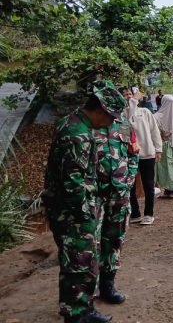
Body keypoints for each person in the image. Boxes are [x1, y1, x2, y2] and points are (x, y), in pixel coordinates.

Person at [42, 80, 137, 323]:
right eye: (110, 116)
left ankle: (85, 305)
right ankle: (78, 312)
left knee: (94, 253)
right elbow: (73, 182)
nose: (113, 121)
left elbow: (132, 153)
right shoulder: (78, 134)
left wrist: (127, 179)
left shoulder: (78, 125)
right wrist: (87, 215)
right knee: (79, 260)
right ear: (99, 112)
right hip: (77, 210)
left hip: (107, 197)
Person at [120, 87, 163, 226]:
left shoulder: (145, 112)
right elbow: (128, 122)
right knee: (129, 185)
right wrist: (133, 100)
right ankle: (135, 213)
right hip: (128, 155)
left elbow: (154, 131)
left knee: (148, 184)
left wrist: (158, 150)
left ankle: (149, 213)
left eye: (130, 94)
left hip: (146, 154)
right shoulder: (120, 115)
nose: (128, 97)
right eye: (125, 95)